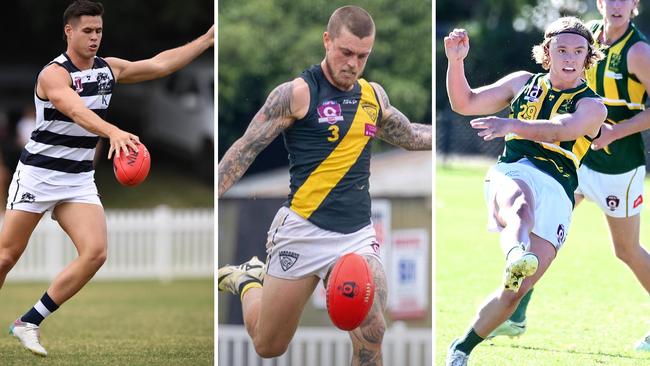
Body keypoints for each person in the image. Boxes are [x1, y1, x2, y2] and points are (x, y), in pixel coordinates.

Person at [217, 5, 432, 364]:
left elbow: (410, 135)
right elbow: (245, 148)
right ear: (327, 41)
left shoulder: (372, 97)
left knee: (373, 330)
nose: (353, 63)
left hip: (355, 236)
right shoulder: (297, 93)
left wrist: (454, 136)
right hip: (302, 231)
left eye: (362, 55)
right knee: (268, 345)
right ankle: (248, 279)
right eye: (346, 52)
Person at [0, 0, 213, 357]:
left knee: (95, 253)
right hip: (38, 174)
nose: (95, 37)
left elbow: (160, 64)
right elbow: (74, 109)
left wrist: (206, 39)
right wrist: (112, 131)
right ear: (69, 31)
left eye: (98, 30)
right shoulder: (54, 74)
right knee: (6, 257)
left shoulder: (107, 69)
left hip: (78, 179)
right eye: (87, 31)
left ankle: (28, 322)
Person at [444, 17, 607, 365]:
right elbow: (465, 102)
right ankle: (516, 252)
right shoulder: (522, 83)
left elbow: (560, 130)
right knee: (519, 207)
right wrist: (455, 62)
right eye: (562, 49)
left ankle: (462, 345)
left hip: (560, 190)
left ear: (588, 57)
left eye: (579, 51)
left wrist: (511, 123)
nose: (570, 57)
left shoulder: (593, 106)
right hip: (515, 169)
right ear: (547, 53)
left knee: (514, 294)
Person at [492, 0, 650, 350]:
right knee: (538, 231)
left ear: (635, 5)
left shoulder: (638, 52)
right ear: (599, 3)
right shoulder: (585, 38)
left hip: (618, 165)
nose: (618, 4)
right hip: (575, 160)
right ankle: (514, 313)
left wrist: (614, 132)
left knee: (626, 250)